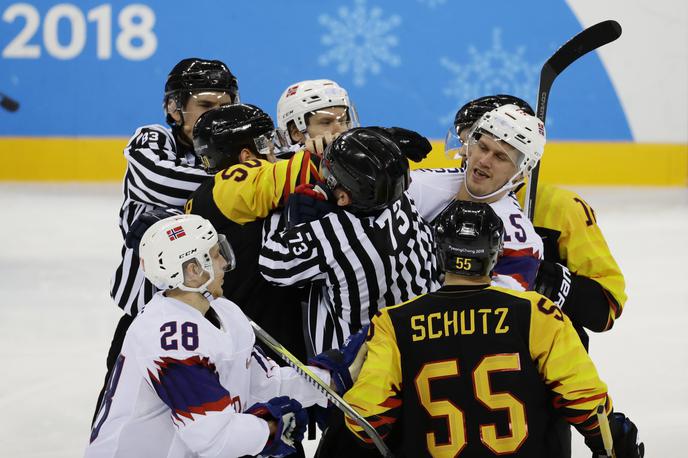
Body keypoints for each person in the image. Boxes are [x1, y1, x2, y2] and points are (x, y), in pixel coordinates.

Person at [342, 200, 645, 458]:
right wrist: (611, 440)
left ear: (438, 250)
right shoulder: (537, 313)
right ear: (497, 254)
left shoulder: (393, 323)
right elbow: (587, 402)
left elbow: (366, 419)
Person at [87, 214, 367, 457]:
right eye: (214, 254)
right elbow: (212, 438)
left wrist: (331, 380)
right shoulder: (171, 339)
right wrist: (270, 429)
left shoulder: (224, 311)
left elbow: (264, 383)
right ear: (193, 271)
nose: (223, 261)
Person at [94, 57, 240, 423]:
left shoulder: (236, 150)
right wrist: (243, 181)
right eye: (205, 105)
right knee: (124, 420)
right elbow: (158, 180)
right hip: (144, 313)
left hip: (209, 314)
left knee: (208, 424)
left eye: (225, 107)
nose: (215, 116)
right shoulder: (153, 139)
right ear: (175, 107)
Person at [449, 94, 627, 347]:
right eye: (473, 143)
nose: (469, 155)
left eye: (497, 152)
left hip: (543, 361)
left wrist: (548, 279)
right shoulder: (441, 197)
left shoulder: (561, 209)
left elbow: (604, 310)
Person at [259, 127, 441, 356]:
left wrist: (290, 221)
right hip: (425, 340)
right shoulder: (398, 196)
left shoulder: (333, 234)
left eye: (327, 171)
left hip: (362, 366)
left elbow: (272, 265)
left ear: (343, 197)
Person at [408, 103, 545, 291]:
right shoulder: (421, 185)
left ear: (522, 172)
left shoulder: (522, 243)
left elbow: (497, 311)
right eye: (482, 147)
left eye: (500, 157)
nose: (484, 161)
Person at [275, 79, 359, 158]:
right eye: (326, 123)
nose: (340, 130)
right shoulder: (277, 171)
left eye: (342, 121)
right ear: (296, 133)